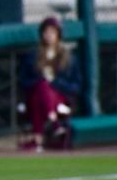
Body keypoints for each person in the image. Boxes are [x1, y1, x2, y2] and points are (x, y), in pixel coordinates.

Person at [18, 16, 80, 152]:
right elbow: (23, 81)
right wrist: (43, 82)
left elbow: (76, 86)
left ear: (58, 34)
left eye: (52, 32)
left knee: (43, 90)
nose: (49, 36)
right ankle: (55, 124)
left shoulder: (69, 57)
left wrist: (55, 83)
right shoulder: (33, 55)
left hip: (61, 98)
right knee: (40, 88)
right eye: (46, 32)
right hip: (36, 97)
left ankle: (37, 140)